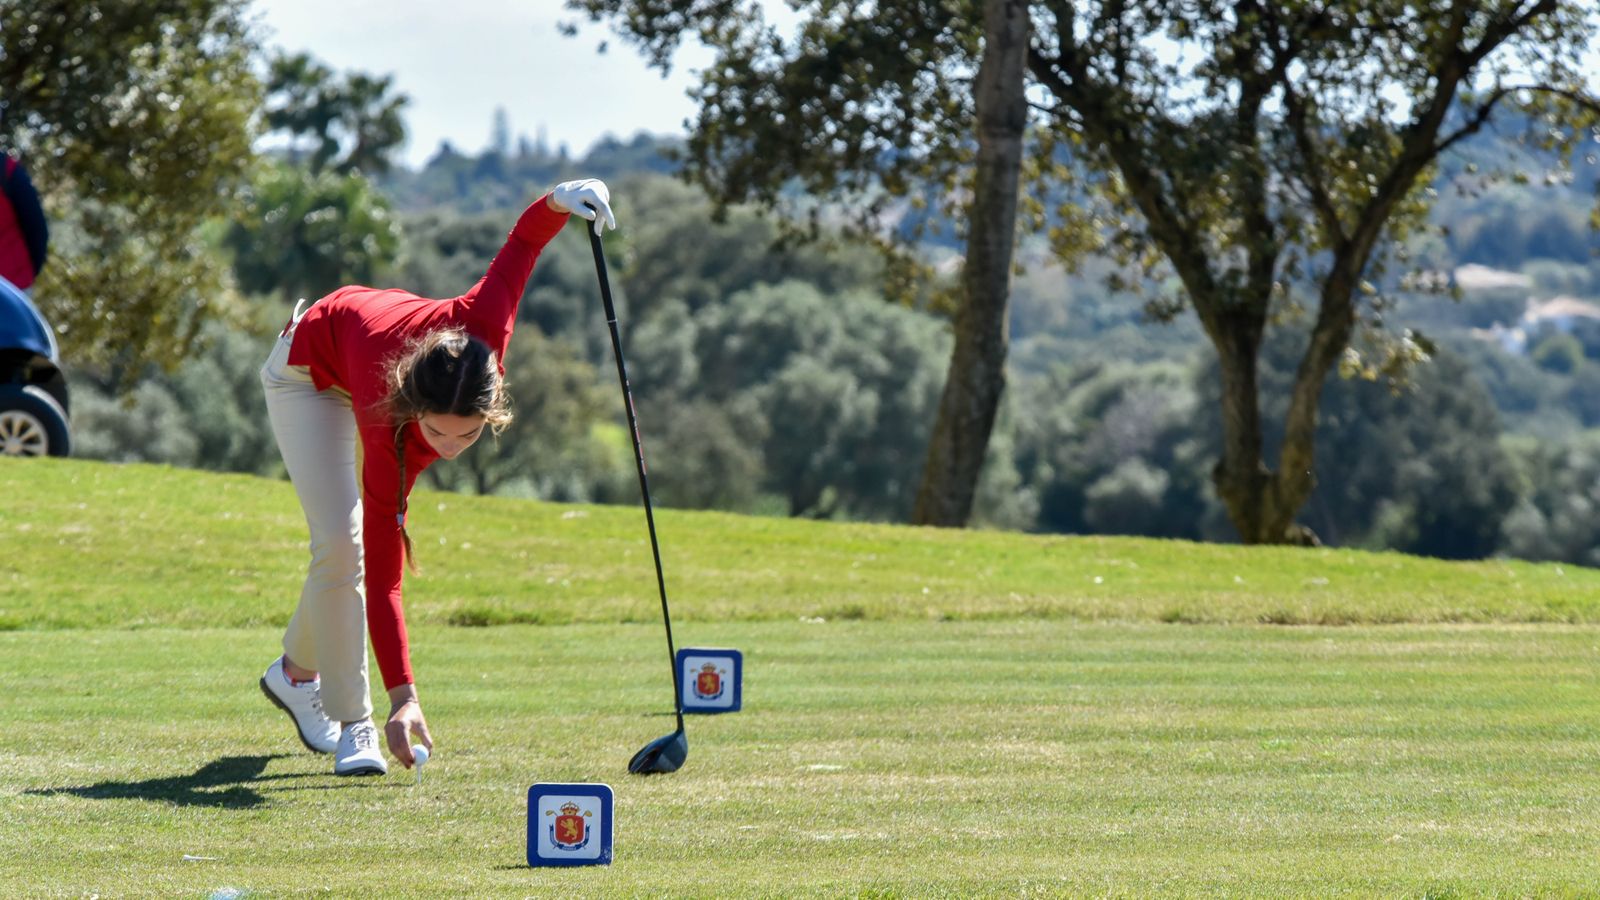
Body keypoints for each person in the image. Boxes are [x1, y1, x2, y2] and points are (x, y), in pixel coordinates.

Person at [257, 179, 617, 776]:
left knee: (337, 554)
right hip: (308, 371)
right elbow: (385, 577)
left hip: (371, 348)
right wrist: (405, 699)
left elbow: (523, 243)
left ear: (493, 399)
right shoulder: (387, 422)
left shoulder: (486, 325)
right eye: (438, 434)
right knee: (344, 546)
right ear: (412, 411)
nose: (449, 451)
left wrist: (563, 196)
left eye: (468, 435)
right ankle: (355, 725)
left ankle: (293, 673)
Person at [0, 151, 48, 291]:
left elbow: (36, 228)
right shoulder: (5, 166)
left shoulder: (5, 168)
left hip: (16, 286)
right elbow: (37, 229)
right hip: (17, 286)